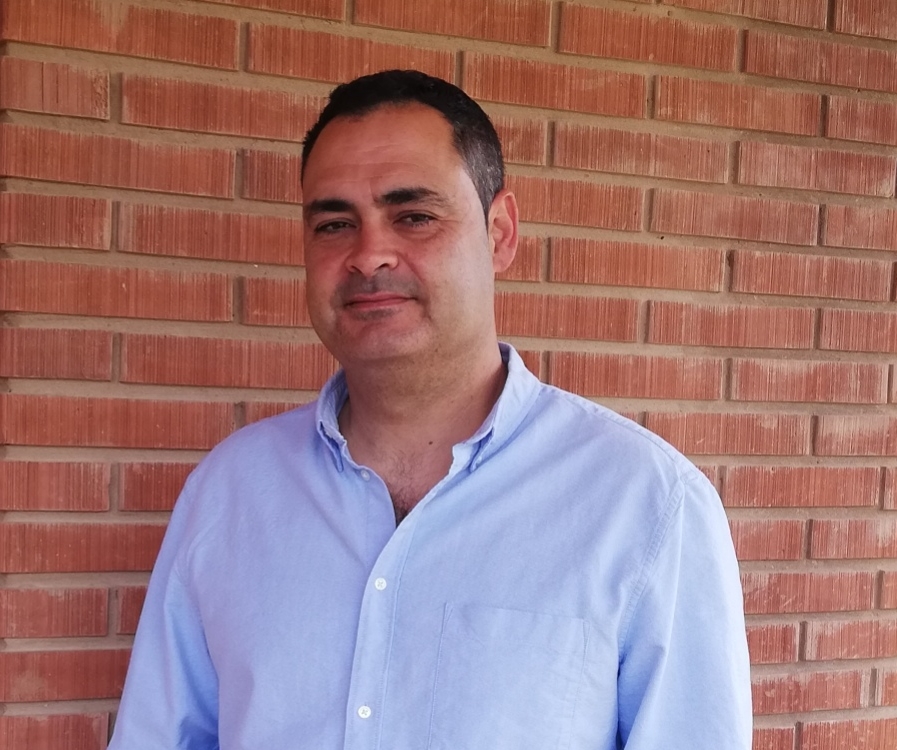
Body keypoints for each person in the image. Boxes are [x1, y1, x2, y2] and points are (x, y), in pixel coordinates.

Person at [109, 70, 752, 749]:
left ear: (500, 234)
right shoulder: (230, 494)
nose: (368, 256)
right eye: (334, 224)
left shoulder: (646, 505)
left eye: (413, 216)